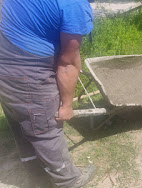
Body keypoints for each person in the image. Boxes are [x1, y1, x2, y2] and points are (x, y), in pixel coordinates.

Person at [0, 0, 96, 187]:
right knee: (46, 128)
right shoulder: (74, 5)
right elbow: (67, 63)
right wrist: (66, 106)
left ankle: (34, 171)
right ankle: (69, 181)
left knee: (21, 120)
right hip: (26, 70)